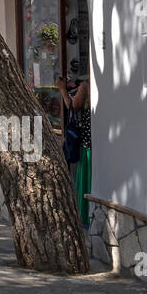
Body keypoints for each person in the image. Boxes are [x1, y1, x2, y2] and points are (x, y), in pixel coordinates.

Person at [57, 72, 92, 227]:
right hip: (96, 142)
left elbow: (73, 107)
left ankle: (84, 217)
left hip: (87, 144)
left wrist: (63, 90)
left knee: (85, 179)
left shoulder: (86, 86)